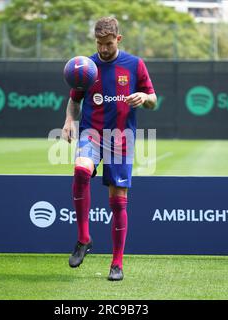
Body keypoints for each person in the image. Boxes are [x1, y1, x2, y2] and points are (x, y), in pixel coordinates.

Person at [61, 16, 157, 281]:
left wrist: (145, 97)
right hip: (91, 133)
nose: (103, 49)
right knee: (80, 171)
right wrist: (69, 120)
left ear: (119, 39)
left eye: (108, 43)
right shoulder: (86, 67)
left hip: (121, 139)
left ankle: (117, 264)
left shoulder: (135, 65)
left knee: (117, 203)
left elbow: (154, 100)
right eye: (99, 43)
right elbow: (74, 102)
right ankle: (83, 239)